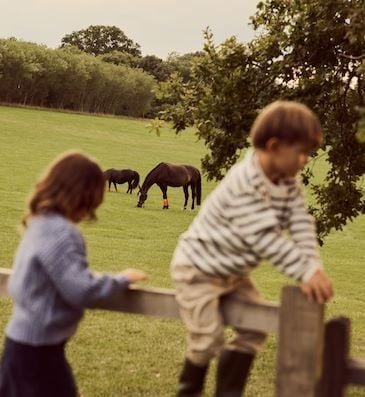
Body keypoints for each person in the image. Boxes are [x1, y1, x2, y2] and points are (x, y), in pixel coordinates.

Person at [170, 101, 334, 397]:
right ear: (274, 146)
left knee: (256, 327)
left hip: (232, 275)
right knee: (207, 339)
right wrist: (305, 271)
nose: (306, 160)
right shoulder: (245, 182)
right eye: (302, 152)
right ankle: (188, 391)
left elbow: (300, 223)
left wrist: (314, 266)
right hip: (198, 268)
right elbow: (264, 238)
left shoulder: (288, 183)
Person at [0, 151, 148, 397]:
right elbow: (82, 289)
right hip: (38, 352)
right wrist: (122, 280)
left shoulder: (39, 222)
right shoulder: (62, 234)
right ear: (83, 196)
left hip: (20, 344)